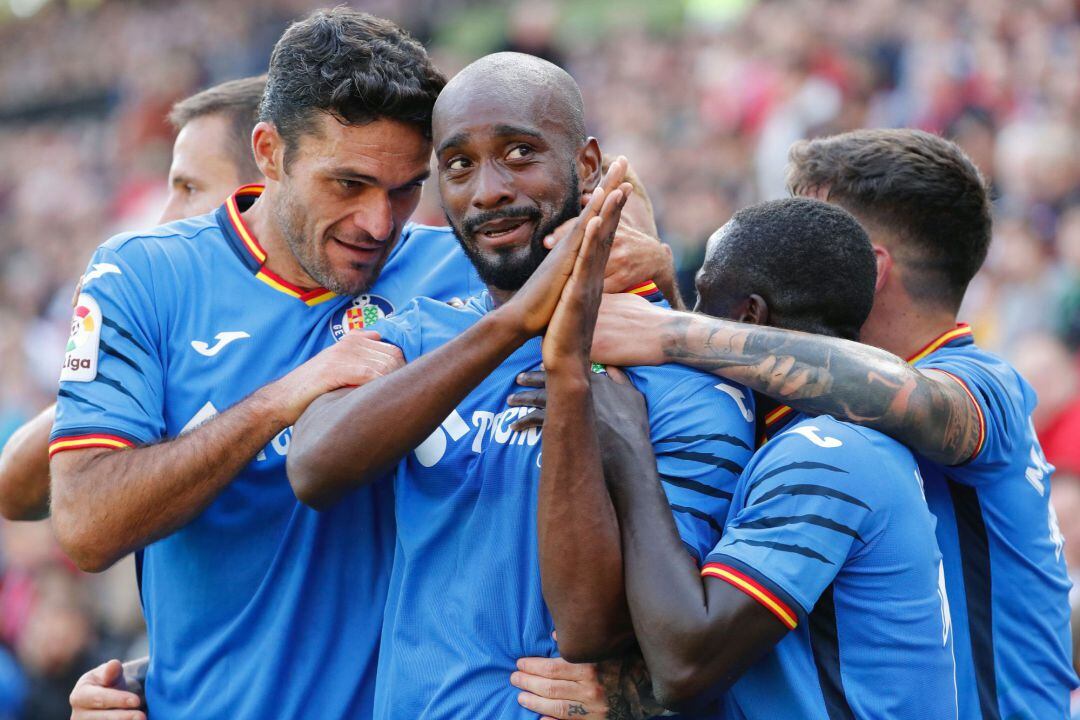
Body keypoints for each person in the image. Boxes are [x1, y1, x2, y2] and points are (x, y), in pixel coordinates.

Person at [286, 52, 755, 719]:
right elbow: (314, 468)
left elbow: (601, 626)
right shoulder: (416, 335)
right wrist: (513, 325)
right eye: (458, 165)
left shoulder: (679, 380)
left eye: (519, 152)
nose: (488, 191)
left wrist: (566, 372)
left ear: (586, 165)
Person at [48, 9, 460, 719]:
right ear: (269, 153)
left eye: (403, 189)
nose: (378, 222)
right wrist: (284, 399)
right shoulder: (145, 277)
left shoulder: (460, 275)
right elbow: (86, 524)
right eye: (348, 184)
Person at [592, 129, 1076, 718]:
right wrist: (666, 290)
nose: (789, 233)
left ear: (869, 270)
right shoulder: (813, 415)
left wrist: (670, 333)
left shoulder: (982, 385)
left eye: (811, 223)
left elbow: (908, 401)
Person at [553, 197, 953, 717]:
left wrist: (626, 447)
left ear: (749, 316)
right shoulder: (832, 441)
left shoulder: (827, 457)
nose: (691, 319)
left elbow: (685, 664)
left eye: (701, 299)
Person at [0, 75, 267, 523]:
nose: (164, 219)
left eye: (190, 189)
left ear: (269, 173)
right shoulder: (173, 325)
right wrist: (127, 347)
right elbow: (14, 488)